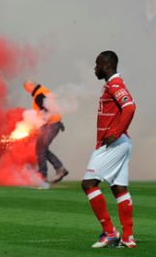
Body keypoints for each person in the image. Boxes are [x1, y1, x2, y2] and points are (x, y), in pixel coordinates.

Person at [81, 51, 136, 248]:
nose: (94, 68)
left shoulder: (115, 84)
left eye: (96, 64)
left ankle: (110, 232)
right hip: (123, 143)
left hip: (113, 143)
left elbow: (129, 107)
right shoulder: (112, 84)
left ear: (106, 66)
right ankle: (128, 238)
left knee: (88, 184)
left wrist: (115, 132)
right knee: (119, 188)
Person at [23, 80, 69, 188]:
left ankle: (42, 176)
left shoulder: (39, 94)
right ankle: (59, 169)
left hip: (52, 125)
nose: (27, 90)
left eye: (26, 87)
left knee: (40, 150)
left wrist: (37, 124)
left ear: (31, 85)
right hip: (53, 124)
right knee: (42, 149)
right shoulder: (43, 91)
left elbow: (46, 111)